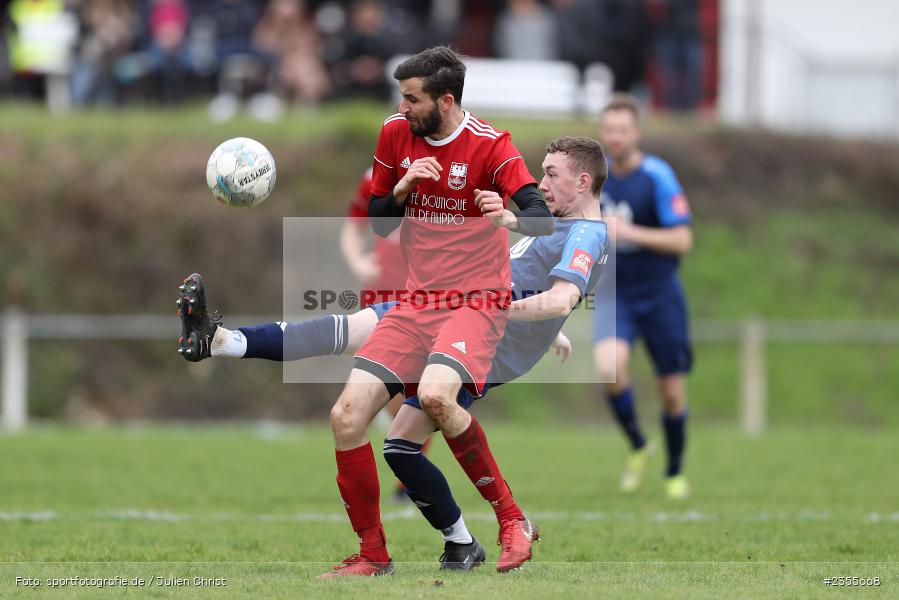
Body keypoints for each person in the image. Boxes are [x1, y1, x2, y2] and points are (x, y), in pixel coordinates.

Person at [177, 135, 609, 572]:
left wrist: (519, 312)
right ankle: (461, 543)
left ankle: (510, 518)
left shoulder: (587, 233)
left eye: (551, 174)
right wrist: (546, 328)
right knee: (391, 427)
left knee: (388, 389)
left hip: (481, 341)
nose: (541, 183)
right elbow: (530, 286)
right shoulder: (555, 225)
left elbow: (558, 299)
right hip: (449, 308)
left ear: (583, 180)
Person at [592, 94, 693, 499]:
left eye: (622, 130)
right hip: (616, 292)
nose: (615, 137)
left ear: (636, 133)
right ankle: (638, 444)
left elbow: (683, 239)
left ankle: (673, 472)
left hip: (660, 293)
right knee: (608, 367)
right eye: (609, 130)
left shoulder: (657, 176)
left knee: (671, 393)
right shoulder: (594, 177)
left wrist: (628, 232)